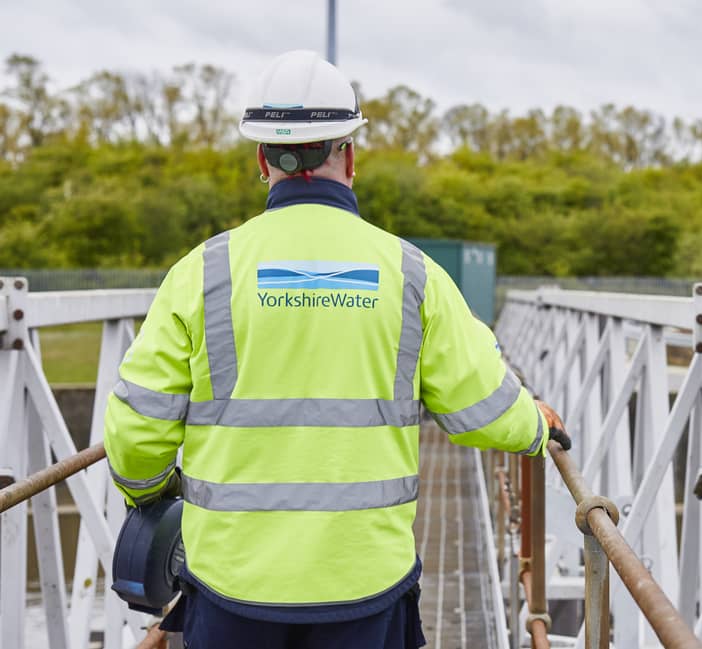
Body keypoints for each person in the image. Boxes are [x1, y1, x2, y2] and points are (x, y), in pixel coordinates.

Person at [103, 49, 570, 649]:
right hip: (363, 581)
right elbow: (481, 401)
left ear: (261, 159)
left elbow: (137, 428)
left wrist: (146, 492)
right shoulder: (412, 274)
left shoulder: (202, 272)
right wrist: (535, 426)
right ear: (349, 154)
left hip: (232, 584)